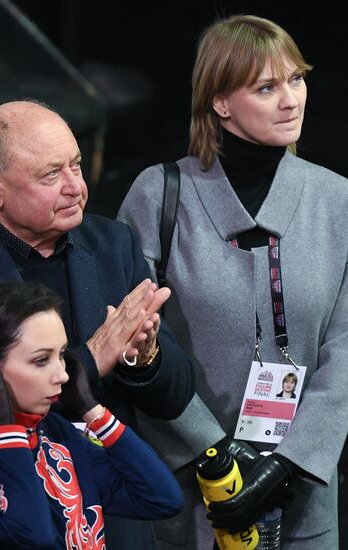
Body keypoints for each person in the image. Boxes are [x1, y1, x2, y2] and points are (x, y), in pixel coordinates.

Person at [0, 100, 195, 549]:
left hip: (112, 516)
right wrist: (91, 361)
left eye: (76, 165)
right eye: (51, 175)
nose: (76, 186)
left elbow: (175, 397)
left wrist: (143, 358)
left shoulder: (113, 244)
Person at [117, 13, 348, 549]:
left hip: (303, 501)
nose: (291, 99)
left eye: (296, 79)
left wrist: (288, 465)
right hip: (189, 496)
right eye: (267, 87)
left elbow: (344, 350)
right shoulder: (158, 196)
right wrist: (215, 452)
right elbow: (139, 350)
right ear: (220, 103)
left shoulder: (337, 200)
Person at [0, 281, 184, 548]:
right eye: (41, 360)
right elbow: (35, 536)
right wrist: (4, 430)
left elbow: (163, 498)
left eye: (61, 355)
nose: (62, 374)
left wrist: (93, 411)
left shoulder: (56, 434)